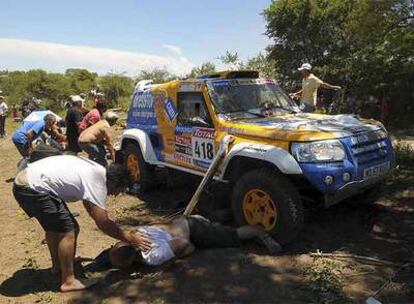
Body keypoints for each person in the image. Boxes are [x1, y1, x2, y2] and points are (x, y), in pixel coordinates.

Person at [12, 156, 152, 292]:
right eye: (120, 190)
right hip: (33, 188)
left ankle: (59, 266)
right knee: (68, 230)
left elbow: (88, 201)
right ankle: (68, 281)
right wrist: (130, 238)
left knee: (56, 228)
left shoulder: (98, 170)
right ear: (115, 182)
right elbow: (104, 223)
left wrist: (95, 217)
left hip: (28, 182)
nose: (116, 194)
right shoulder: (98, 182)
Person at [107, 215, 282, 269]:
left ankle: (261, 234)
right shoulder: (134, 234)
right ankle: (206, 219)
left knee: (233, 235)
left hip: (193, 231)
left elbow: (183, 243)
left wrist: (181, 255)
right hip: (182, 222)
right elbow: (156, 225)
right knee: (219, 228)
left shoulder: (152, 257)